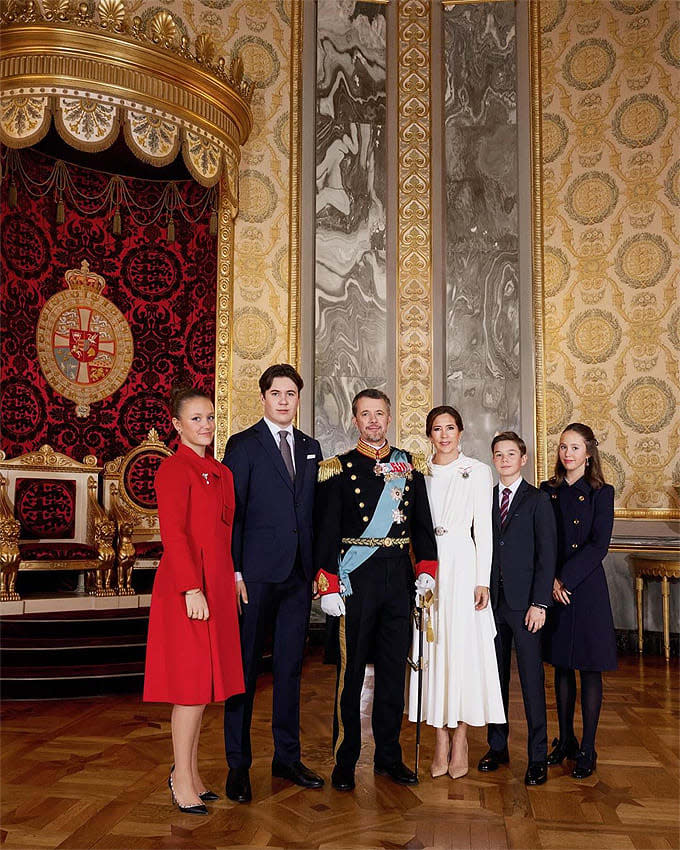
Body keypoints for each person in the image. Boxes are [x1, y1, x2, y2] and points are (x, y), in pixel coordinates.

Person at [315, 388, 438, 792]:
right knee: (350, 674)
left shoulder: (409, 466)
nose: (373, 421)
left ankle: (388, 756)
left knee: (391, 671)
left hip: (398, 578)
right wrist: (327, 584)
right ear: (355, 420)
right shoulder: (338, 468)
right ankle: (345, 759)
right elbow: (327, 532)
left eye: (379, 414)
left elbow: (422, 524)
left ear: (389, 418)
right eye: (365, 414)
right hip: (357, 580)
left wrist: (426, 570)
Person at [222, 364, 324, 803]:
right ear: (263, 398)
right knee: (244, 671)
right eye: (276, 393)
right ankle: (238, 766)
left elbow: (313, 515)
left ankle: (286, 757)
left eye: (291, 394)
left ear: (298, 399)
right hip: (255, 577)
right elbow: (232, 514)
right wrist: (236, 572)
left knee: (289, 671)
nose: (284, 400)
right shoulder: (242, 445)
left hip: (298, 578)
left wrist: (319, 571)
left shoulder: (311, 447)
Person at [144, 385, 244, 815]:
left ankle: (193, 771)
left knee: (205, 688)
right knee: (189, 687)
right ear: (176, 425)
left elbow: (223, 533)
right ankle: (180, 777)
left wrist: (233, 577)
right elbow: (176, 535)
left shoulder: (221, 472)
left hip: (218, 584)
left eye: (209, 417)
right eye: (196, 419)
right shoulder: (173, 470)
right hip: (188, 588)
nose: (205, 426)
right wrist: (191, 588)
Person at [407, 406, 505, 780]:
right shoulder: (418, 473)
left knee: (462, 652)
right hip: (429, 568)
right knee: (432, 651)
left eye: (450, 428)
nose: (444, 435)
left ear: (461, 432)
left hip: (464, 568)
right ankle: (439, 739)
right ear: (429, 434)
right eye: (437, 429)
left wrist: (483, 580)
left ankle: (461, 736)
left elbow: (486, 532)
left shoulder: (478, 472)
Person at [478, 431, 557, 786]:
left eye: (511, 453)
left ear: (523, 459)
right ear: (493, 460)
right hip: (492, 603)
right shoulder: (485, 498)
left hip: (526, 606)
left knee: (530, 681)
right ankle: (498, 747)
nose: (505, 459)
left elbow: (547, 557)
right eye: (499, 454)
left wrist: (540, 603)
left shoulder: (538, 501)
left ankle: (538, 755)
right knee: (494, 680)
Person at [540, 423, 616, 780]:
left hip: (584, 589)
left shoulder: (602, 493)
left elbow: (599, 545)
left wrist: (564, 579)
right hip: (553, 589)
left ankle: (588, 747)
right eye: (562, 447)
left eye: (574, 448)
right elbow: (544, 541)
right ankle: (566, 740)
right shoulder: (547, 491)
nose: (567, 454)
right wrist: (550, 582)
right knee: (561, 666)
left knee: (589, 668)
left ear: (588, 452)